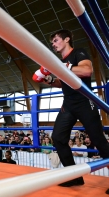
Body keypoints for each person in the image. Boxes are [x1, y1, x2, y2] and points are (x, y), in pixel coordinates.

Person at [37, 29, 109, 188]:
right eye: (52, 42)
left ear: (67, 39)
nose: (53, 44)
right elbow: (61, 82)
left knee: (99, 141)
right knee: (57, 137)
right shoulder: (61, 63)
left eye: (56, 40)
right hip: (68, 104)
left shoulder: (78, 52)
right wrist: (49, 79)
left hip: (85, 101)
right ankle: (74, 175)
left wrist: (63, 66)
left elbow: (86, 70)